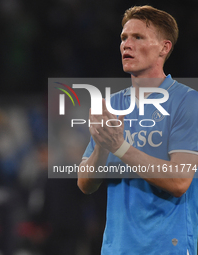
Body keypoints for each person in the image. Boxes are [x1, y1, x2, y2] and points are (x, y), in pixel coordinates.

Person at [77, 5, 198, 255]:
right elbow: (85, 183)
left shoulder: (187, 102)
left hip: (166, 248)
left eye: (138, 37)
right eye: (123, 38)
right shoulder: (112, 105)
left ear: (164, 48)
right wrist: (101, 145)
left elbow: (179, 180)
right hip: (116, 248)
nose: (126, 44)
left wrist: (120, 147)